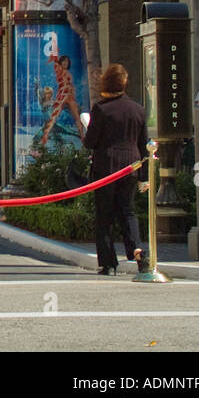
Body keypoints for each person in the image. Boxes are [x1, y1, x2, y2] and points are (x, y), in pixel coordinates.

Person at [83, 63, 149, 275]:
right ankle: (137, 251)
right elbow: (144, 144)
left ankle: (109, 263)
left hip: (106, 167)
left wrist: (87, 128)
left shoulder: (101, 109)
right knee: (128, 211)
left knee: (104, 215)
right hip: (131, 166)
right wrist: (144, 177)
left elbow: (90, 142)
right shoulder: (138, 110)